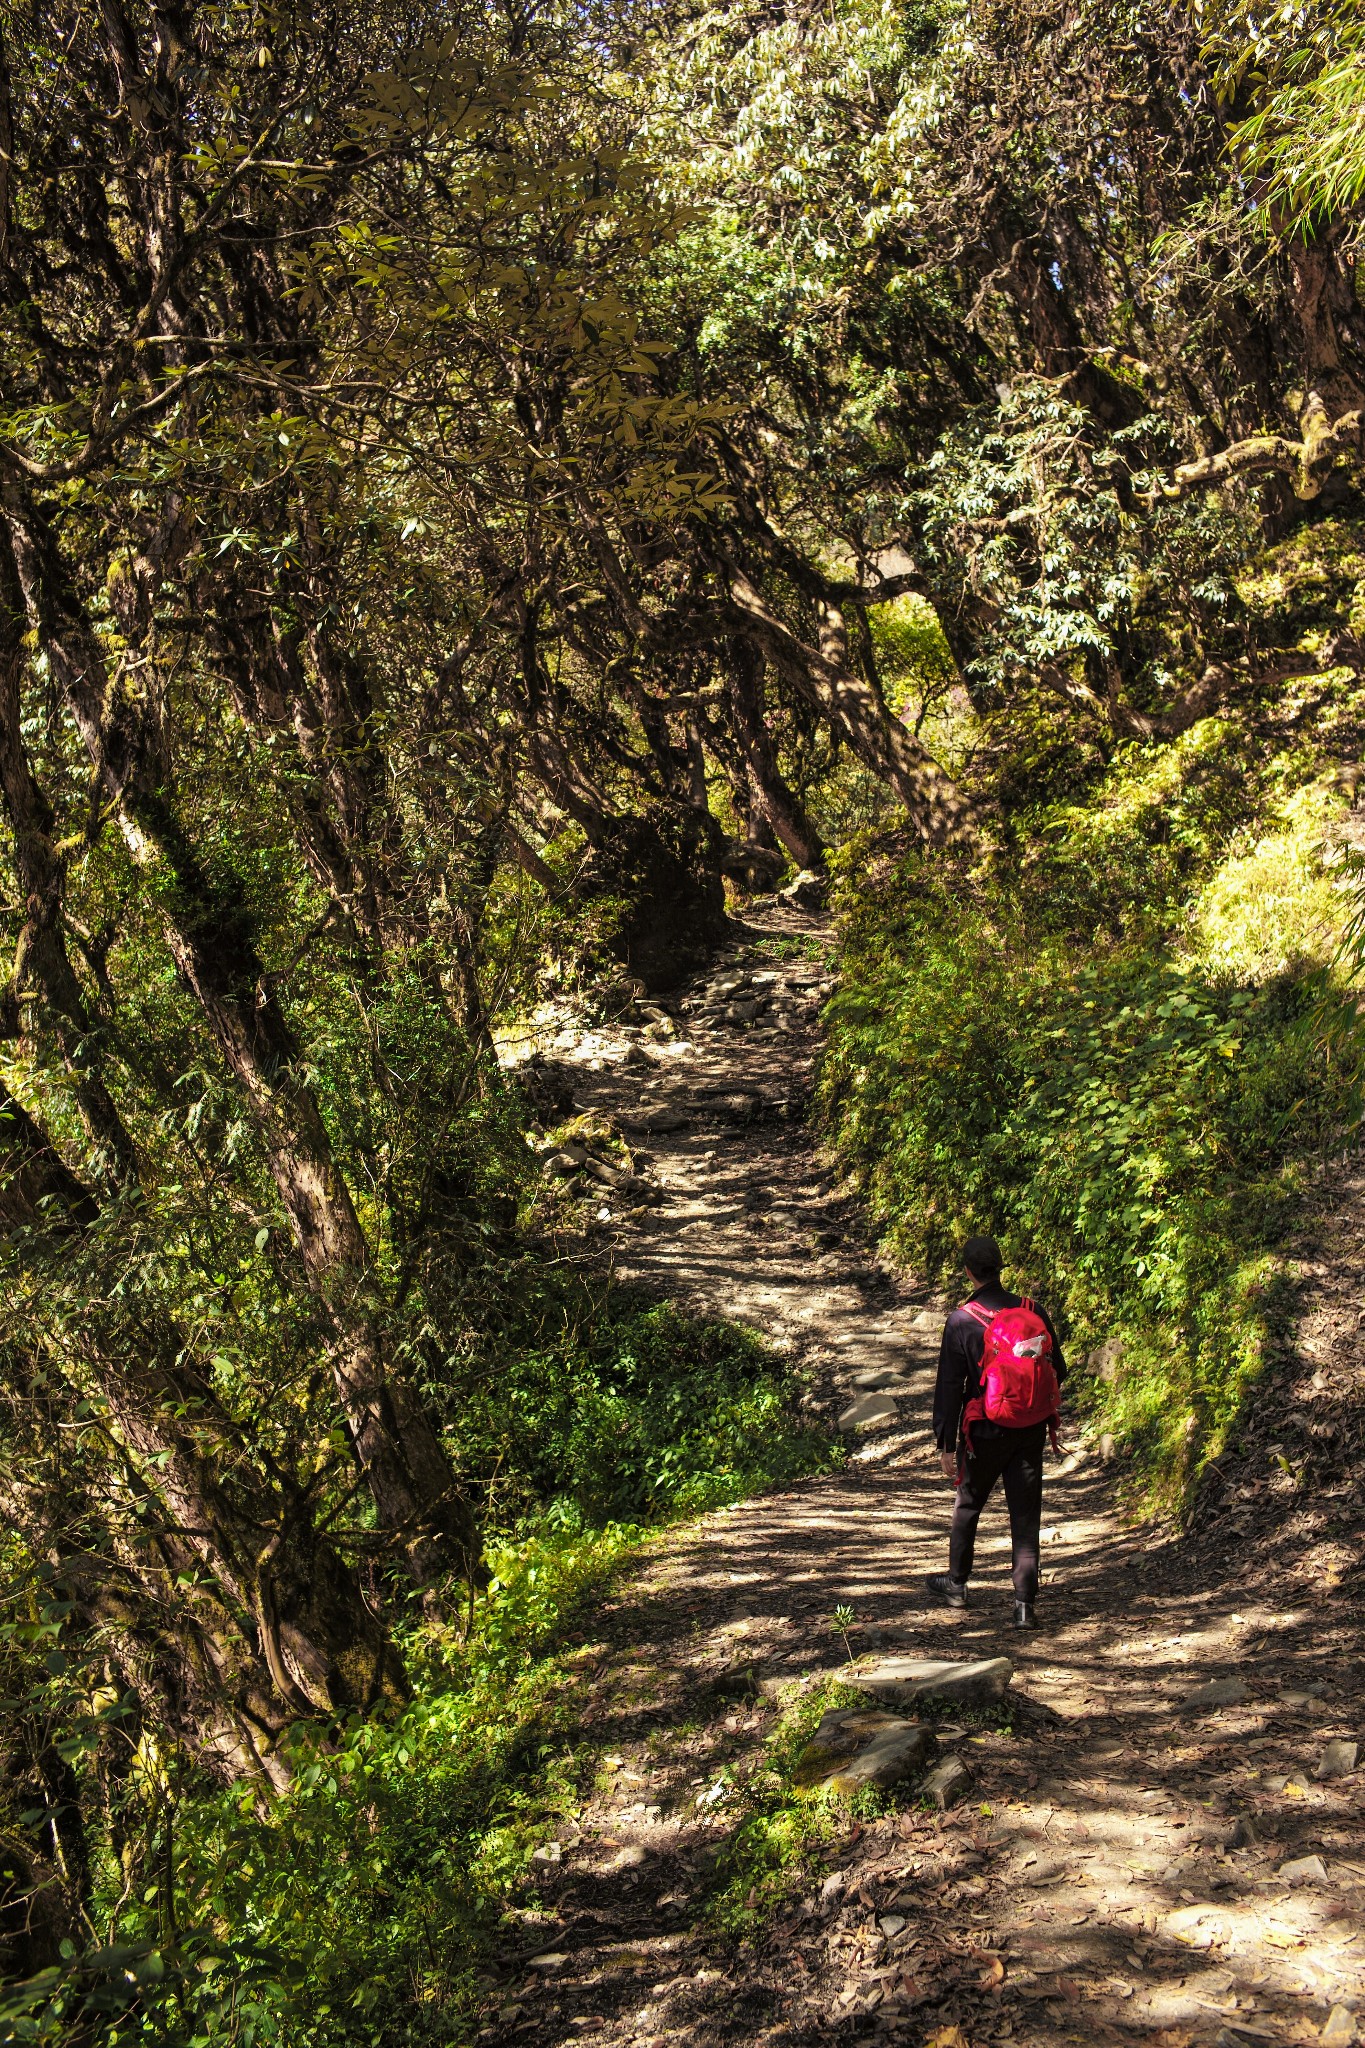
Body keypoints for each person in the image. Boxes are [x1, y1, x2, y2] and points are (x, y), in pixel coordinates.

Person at [925, 1234, 1066, 1630]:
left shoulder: (962, 1320)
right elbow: (1060, 1368)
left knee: (968, 1504)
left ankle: (956, 1583)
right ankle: (1024, 1605)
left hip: (983, 1430)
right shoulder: (1031, 1309)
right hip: (1029, 1430)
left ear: (968, 1272)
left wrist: (945, 1442)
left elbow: (950, 1387)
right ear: (1001, 1267)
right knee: (1025, 1514)